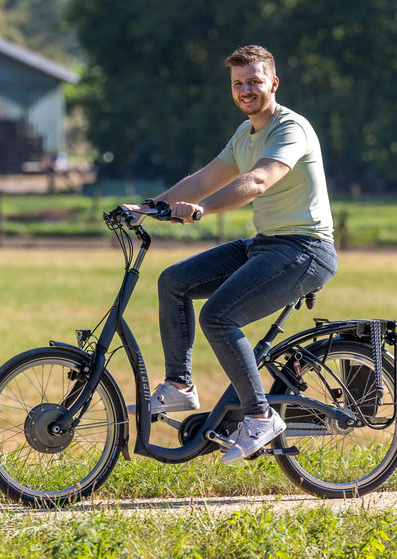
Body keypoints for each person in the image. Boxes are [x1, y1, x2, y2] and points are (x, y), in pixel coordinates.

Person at [130, 45, 337, 464]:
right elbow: (206, 178)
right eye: (238, 84)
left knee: (220, 317)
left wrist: (204, 210)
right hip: (267, 245)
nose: (245, 90)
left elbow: (259, 180)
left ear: (273, 83)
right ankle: (180, 386)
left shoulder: (289, 128)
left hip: (306, 249)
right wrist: (147, 208)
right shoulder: (245, 134)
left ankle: (260, 418)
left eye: (254, 81)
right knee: (174, 281)